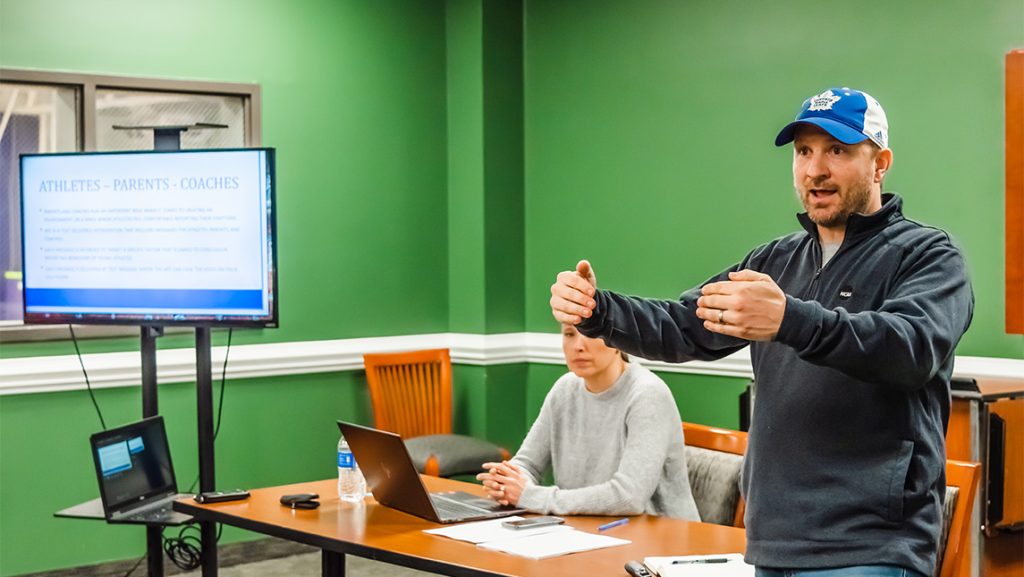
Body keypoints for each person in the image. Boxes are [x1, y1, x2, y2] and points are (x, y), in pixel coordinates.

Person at [549, 88, 973, 577]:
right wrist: (597, 311)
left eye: (837, 150)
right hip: (772, 544)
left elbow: (909, 348)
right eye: (803, 152)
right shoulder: (775, 262)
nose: (815, 169)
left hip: (870, 549)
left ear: (880, 164)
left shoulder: (928, 256)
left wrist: (788, 320)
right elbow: (683, 326)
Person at [476, 323, 701, 521]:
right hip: (586, 529)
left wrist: (532, 497)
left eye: (591, 334)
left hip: (661, 541)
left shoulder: (647, 394)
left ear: (618, 341)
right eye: (569, 334)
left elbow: (628, 497)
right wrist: (508, 484)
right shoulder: (564, 389)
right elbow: (527, 464)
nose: (578, 346)